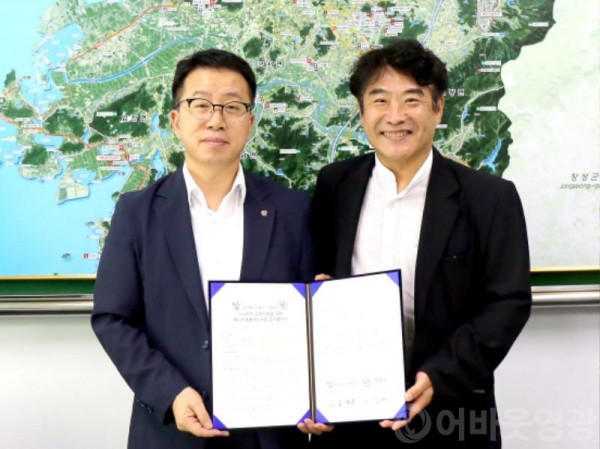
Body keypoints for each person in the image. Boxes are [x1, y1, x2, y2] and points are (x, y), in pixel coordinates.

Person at [307, 39, 532, 447]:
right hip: (349, 419)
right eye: (380, 100)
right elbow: (314, 277)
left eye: (412, 100)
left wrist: (439, 375)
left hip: (450, 417)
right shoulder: (334, 186)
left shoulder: (489, 198)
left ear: (438, 107)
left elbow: (508, 302)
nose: (395, 116)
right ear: (361, 111)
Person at [91, 49, 313, 449]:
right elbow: (113, 318)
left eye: (232, 106)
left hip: (269, 434)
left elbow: (312, 317)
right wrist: (171, 393)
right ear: (176, 119)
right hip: (170, 433)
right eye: (201, 104)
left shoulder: (293, 211)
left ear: (250, 122)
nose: (216, 119)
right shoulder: (136, 212)